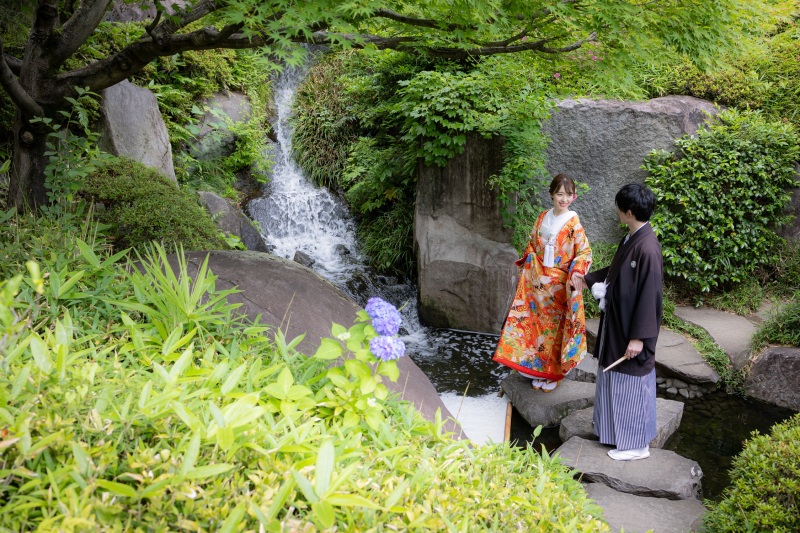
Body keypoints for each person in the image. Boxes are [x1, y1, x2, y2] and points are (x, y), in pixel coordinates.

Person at [573, 183, 663, 461]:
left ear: (629, 211)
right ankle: (613, 434)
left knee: (631, 382)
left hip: (631, 330)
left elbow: (650, 296)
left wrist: (639, 337)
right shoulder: (632, 238)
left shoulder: (647, 248)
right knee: (612, 377)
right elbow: (613, 273)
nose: (617, 212)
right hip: (617, 321)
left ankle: (636, 445)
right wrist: (587, 280)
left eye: (619, 208)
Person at [493, 173, 592, 392]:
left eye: (568, 195)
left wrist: (576, 271)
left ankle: (554, 374)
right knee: (537, 328)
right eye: (559, 194)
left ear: (573, 197)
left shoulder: (574, 222)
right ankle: (536, 369)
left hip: (559, 285)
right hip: (538, 285)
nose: (563, 199)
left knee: (555, 332)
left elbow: (584, 252)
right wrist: (530, 261)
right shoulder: (542, 217)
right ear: (551, 194)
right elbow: (531, 244)